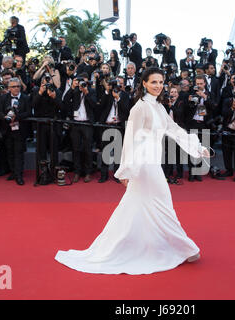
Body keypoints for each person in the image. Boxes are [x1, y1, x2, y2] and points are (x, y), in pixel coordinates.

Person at [55, 67, 210, 275]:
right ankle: (185, 247)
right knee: (163, 204)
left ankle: (124, 244)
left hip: (153, 161)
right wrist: (126, 170)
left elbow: (173, 129)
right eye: (153, 82)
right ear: (144, 83)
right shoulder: (140, 107)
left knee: (136, 206)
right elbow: (130, 139)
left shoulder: (158, 106)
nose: (158, 86)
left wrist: (197, 148)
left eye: (161, 82)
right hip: (143, 164)